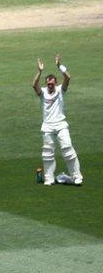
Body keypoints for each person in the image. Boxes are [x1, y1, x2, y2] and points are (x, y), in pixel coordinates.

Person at [33, 54, 83, 186]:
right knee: (47, 153)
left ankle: (77, 177)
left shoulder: (61, 90)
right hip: (47, 126)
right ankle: (49, 178)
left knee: (67, 149)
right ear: (46, 84)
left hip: (61, 125)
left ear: (56, 83)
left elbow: (68, 77)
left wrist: (59, 65)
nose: (50, 86)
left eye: (52, 83)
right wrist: (39, 72)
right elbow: (34, 85)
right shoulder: (43, 92)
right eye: (48, 84)